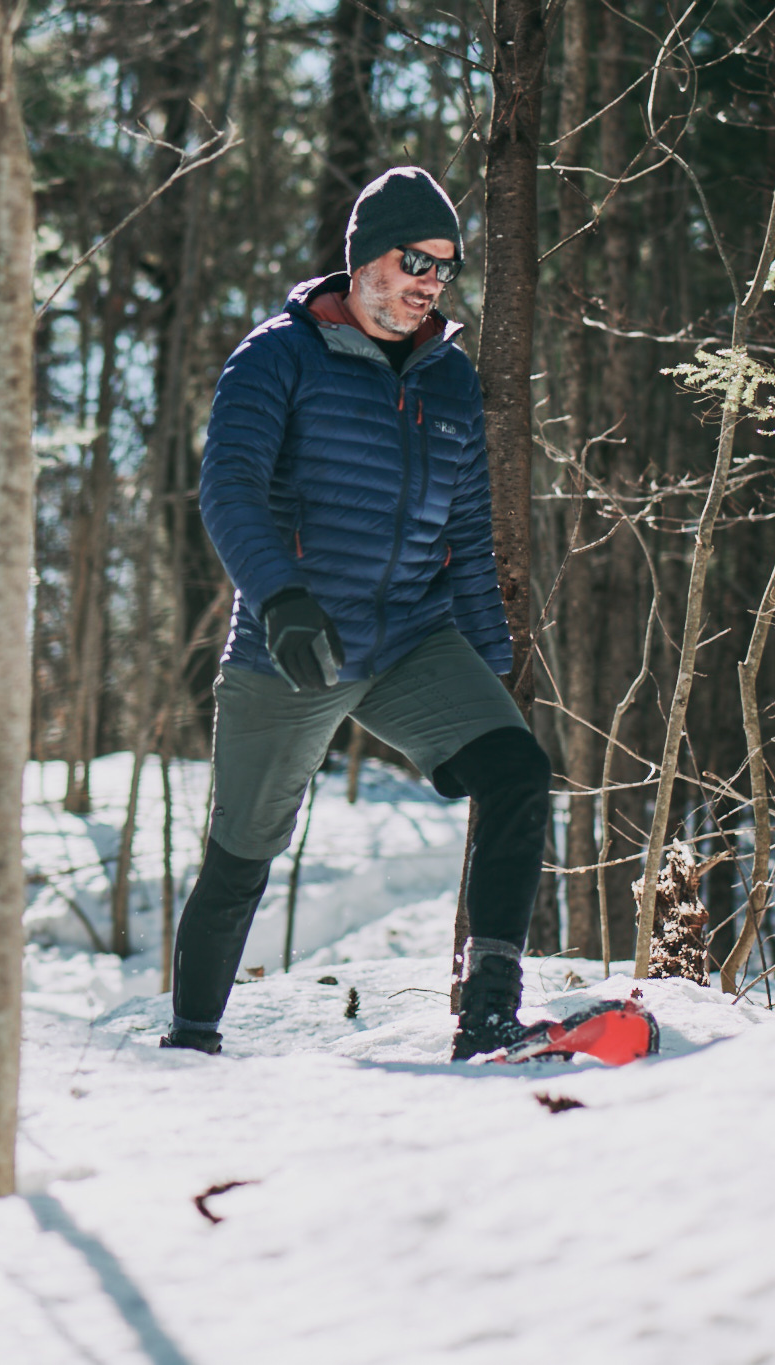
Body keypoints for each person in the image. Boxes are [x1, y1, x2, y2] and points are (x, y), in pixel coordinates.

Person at [164, 166, 553, 1061]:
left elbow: (468, 530)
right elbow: (228, 489)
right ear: (366, 257)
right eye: (416, 260)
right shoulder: (278, 355)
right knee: (243, 851)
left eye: (445, 267)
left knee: (517, 772)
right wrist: (281, 598)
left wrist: (489, 664)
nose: (431, 282)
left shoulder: (449, 378)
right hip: (295, 643)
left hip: (410, 637)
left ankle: (488, 1014)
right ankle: (190, 1042)